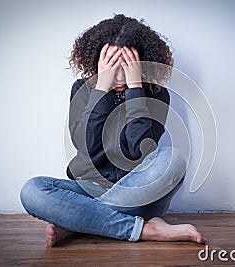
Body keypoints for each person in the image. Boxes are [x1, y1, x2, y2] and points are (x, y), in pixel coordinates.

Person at [20, 14, 206, 247]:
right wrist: (101, 89)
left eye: (125, 68)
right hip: (88, 188)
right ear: (98, 63)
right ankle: (144, 229)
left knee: (173, 159)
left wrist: (135, 88)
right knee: (33, 190)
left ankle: (77, 221)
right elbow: (87, 149)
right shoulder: (83, 90)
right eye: (112, 68)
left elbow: (139, 153)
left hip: (140, 194)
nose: (119, 76)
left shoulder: (156, 95)